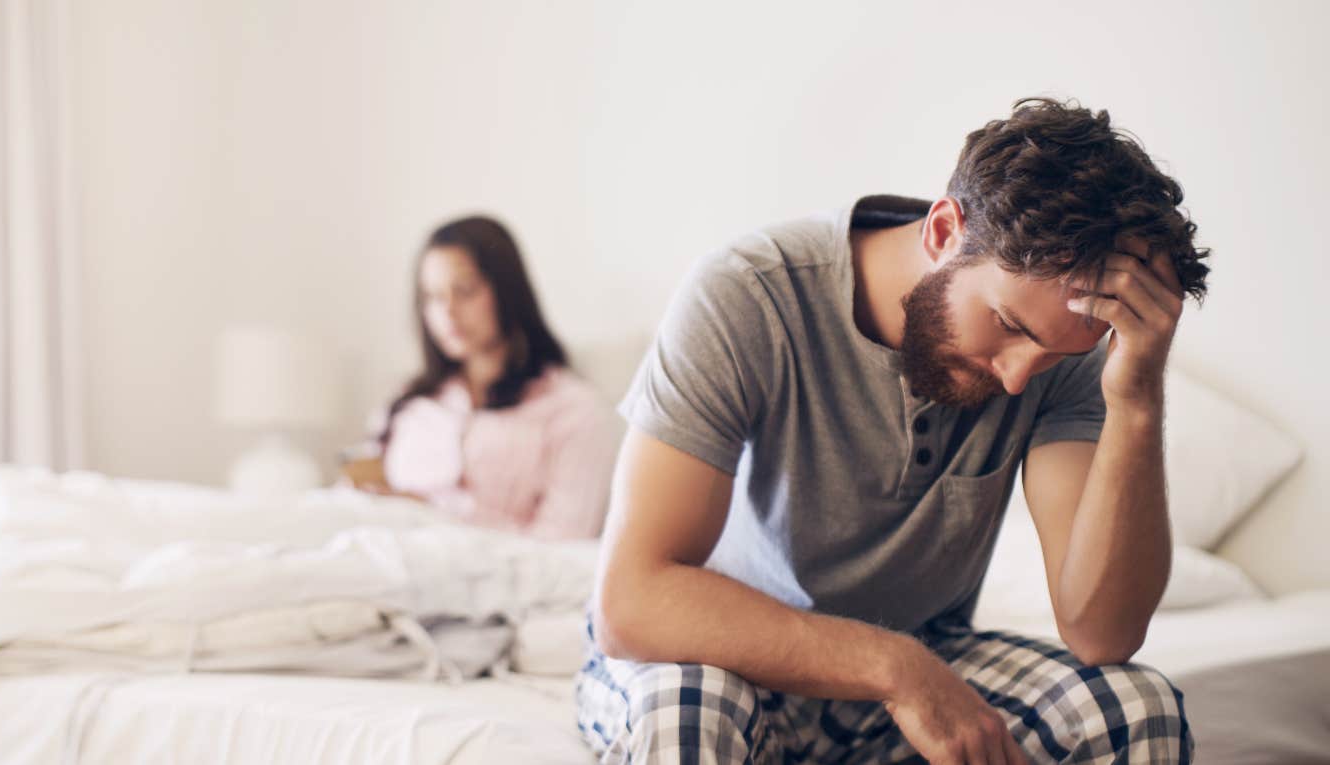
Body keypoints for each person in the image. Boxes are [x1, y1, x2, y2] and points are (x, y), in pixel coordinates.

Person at [579, 98, 1210, 763]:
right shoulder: (746, 295)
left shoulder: (1059, 355)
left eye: (1057, 353)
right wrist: (895, 667)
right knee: (689, 712)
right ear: (943, 231)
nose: (1021, 376)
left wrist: (1136, 399)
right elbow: (633, 600)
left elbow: (1100, 633)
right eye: (1009, 325)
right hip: (720, 657)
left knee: (1136, 710)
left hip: (913, 672)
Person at [341, 215, 619, 540]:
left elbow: (564, 546)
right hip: (375, 554)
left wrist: (429, 513)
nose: (448, 311)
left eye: (465, 290)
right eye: (432, 296)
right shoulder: (407, 402)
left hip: (476, 576)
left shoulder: (574, 411)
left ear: (506, 291)